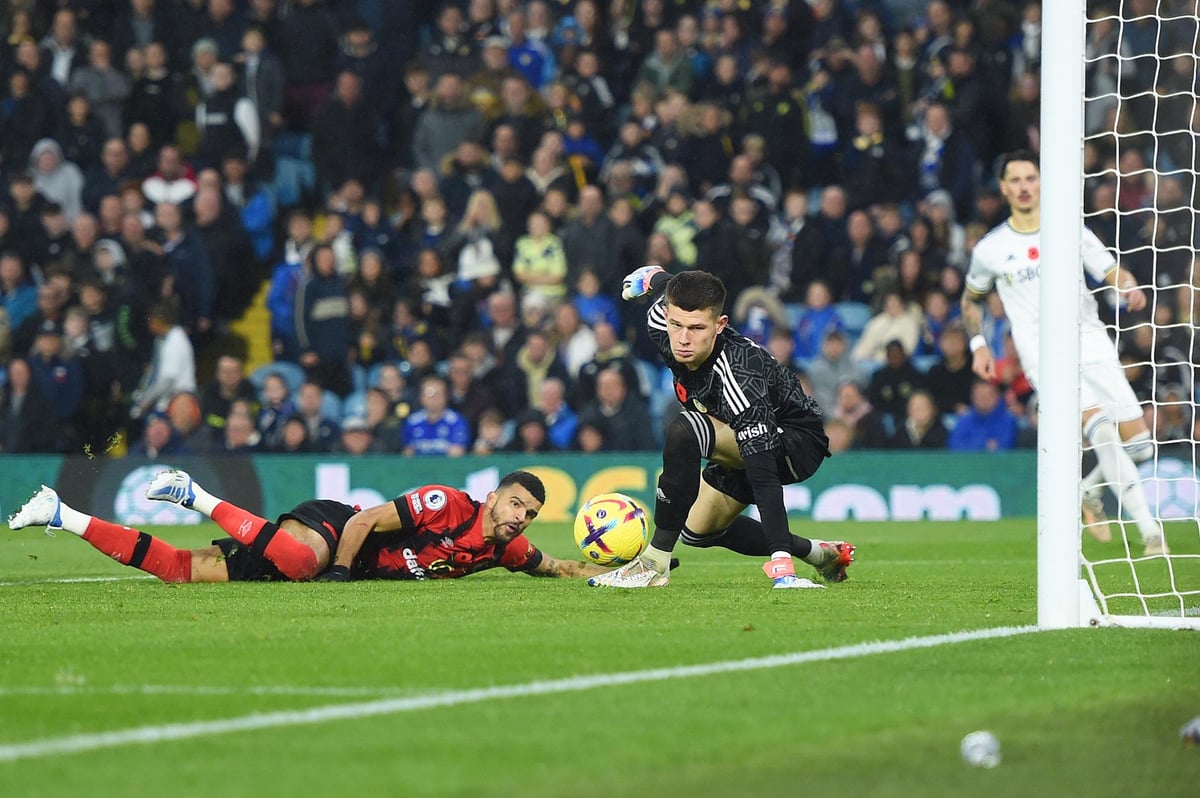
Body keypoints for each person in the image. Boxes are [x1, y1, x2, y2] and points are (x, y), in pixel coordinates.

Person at [589, 267, 854, 590]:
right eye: (677, 325)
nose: (684, 339)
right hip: (733, 430)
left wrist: (782, 567)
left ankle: (654, 563)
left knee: (686, 430)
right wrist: (654, 279)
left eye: (698, 328)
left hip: (793, 441)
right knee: (697, 531)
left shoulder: (739, 376)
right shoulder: (660, 322)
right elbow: (671, 292)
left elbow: (764, 477)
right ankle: (822, 554)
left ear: (720, 325)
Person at [962, 150, 1167, 556]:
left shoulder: (1069, 230)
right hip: (1041, 351)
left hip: (1089, 337)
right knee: (1101, 428)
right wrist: (979, 344)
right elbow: (971, 300)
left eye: (1030, 178)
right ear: (1004, 188)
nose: (1023, 187)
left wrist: (1127, 285)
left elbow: (1111, 271)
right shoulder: (991, 248)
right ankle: (1151, 534)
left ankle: (1088, 491)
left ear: (1041, 183)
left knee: (1140, 444)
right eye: (1015, 180)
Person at [8, 470, 612, 583]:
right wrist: (344, 569)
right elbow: (371, 518)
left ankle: (61, 512)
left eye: (529, 515)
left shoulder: (504, 551)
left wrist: (627, 570)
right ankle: (195, 492)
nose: (520, 519)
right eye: (514, 505)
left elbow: (561, 566)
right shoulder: (446, 503)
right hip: (334, 528)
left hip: (334, 554)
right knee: (302, 565)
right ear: (492, 496)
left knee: (179, 571)